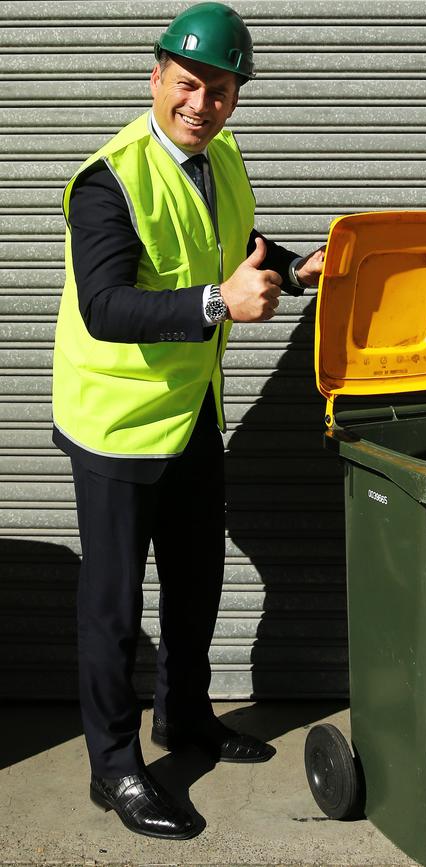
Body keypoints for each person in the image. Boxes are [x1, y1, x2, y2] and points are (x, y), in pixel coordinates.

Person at [51, 2, 324, 840]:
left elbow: (236, 242)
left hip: (191, 410)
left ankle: (186, 718)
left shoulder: (220, 154)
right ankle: (115, 766)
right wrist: (219, 303)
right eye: (189, 84)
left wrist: (296, 267)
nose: (202, 104)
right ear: (156, 78)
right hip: (116, 424)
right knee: (114, 607)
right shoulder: (112, 179)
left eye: (221, 89)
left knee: (198, 582)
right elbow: (103, 304)